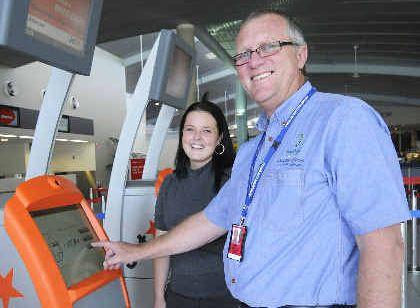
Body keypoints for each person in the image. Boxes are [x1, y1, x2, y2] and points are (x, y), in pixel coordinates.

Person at [94, 9, 411, 308]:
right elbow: (210, 221)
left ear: (301, 55)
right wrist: (137, 251)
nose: (253, 62)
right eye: (243, 55)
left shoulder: (343, 120)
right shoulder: (252, 151)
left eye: (268, 47)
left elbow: (383, 245)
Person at [153, 98, 237, 308]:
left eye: (207, 131)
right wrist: (158, 296)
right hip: (179, 296)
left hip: (225, 298)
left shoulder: (233, 181)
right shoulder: (169, 184)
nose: (197, 138)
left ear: (219, 139)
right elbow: (161, 245)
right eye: (190, 129)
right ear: (182, 135)